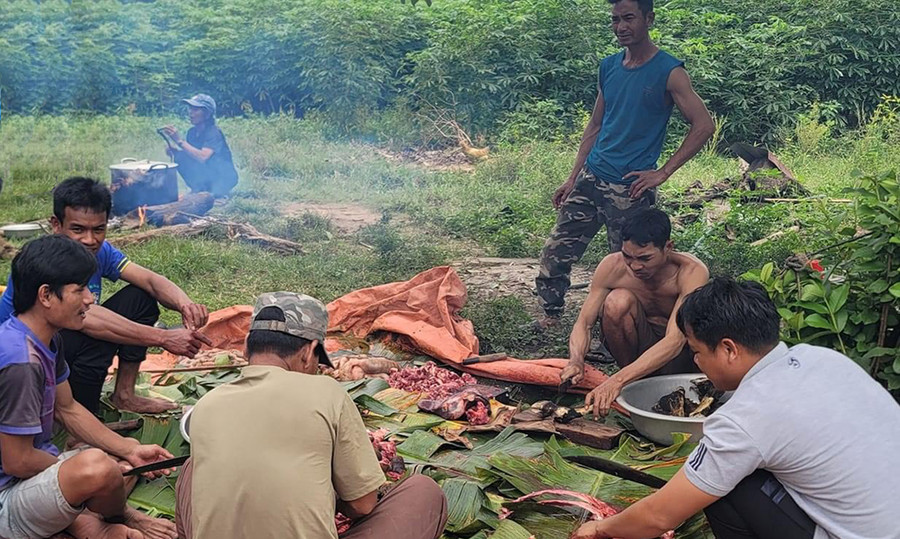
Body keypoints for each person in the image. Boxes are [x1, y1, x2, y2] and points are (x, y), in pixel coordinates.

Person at [571, 277, 900, 539]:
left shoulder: (745, 418)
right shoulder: (822, 358)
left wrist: (600, 528)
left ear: (728, 349)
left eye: (697, 352)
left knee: (727, 487)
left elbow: (659, 516)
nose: (697, 362)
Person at [174, 292, 448, 539]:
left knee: (191, 468)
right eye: (318, 361)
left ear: (246, 346)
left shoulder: (207, 405)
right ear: (308, 353)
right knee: (424, 493)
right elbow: (362, 505)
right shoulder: (327, 392)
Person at [535, 0, 714, 328]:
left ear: (649, 18)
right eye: (615, 20)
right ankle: (550, 314)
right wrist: (572, 177)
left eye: (629, 18)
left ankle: (622, 330)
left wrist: (663, 172)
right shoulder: (609, 67)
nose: (621, 27)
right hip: (591, 177)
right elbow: (595, 125)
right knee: (557, 249)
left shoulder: (670, 72)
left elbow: (703, 124)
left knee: (632, 268)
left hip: (630, 189)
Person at [0, 235, 178, 539]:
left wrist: (130, 450)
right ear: (46, 296)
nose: (90, 299)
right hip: (6, 495)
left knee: (113, 464)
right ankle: (109, 519)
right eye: (79, 289)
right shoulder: (22, 362)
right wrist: (74, 475)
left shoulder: (45, 339)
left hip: (26, 476)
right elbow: (18, 460)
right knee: (98, 468)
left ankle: (87, 524)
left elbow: (67, 408)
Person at [0, 177, 212, 414]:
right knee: (97, 339)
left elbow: (150, 281)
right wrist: (162, 338)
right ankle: (80, 415)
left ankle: (125, 394)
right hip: (25, 360)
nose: (90, 240)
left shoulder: (98, 251)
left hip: (63, 341)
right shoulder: (45, 263)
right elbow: (89, 319)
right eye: (78, 229)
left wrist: (186, 304)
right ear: (56, 225)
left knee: (139, 297)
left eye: (98, 229)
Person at [560, 209, 709, 416]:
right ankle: (635, 384)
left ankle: (631, 381)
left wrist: (616, 380)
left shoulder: (691, 272)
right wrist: (576, 360)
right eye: (627, 256)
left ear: (668, 247)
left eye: (645, 258)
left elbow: (675, 340)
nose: (635, 265)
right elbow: (583, 323)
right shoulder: (612, 266)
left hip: (681, 355)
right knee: (616, 302)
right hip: (637, 348)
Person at [163, 93, 239, 198]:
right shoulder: (192, 133)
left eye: (196, 110)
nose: (191, 113)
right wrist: (175, 151)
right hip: (206, 174)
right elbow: (192, 156)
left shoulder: (213, 132)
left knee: (214, 195)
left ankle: (215, 194)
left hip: (223, 177)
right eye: (190, 109)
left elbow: (203, 157)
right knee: (180, 157)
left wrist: (179, 141)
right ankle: (198, 189)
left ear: (207, 114)